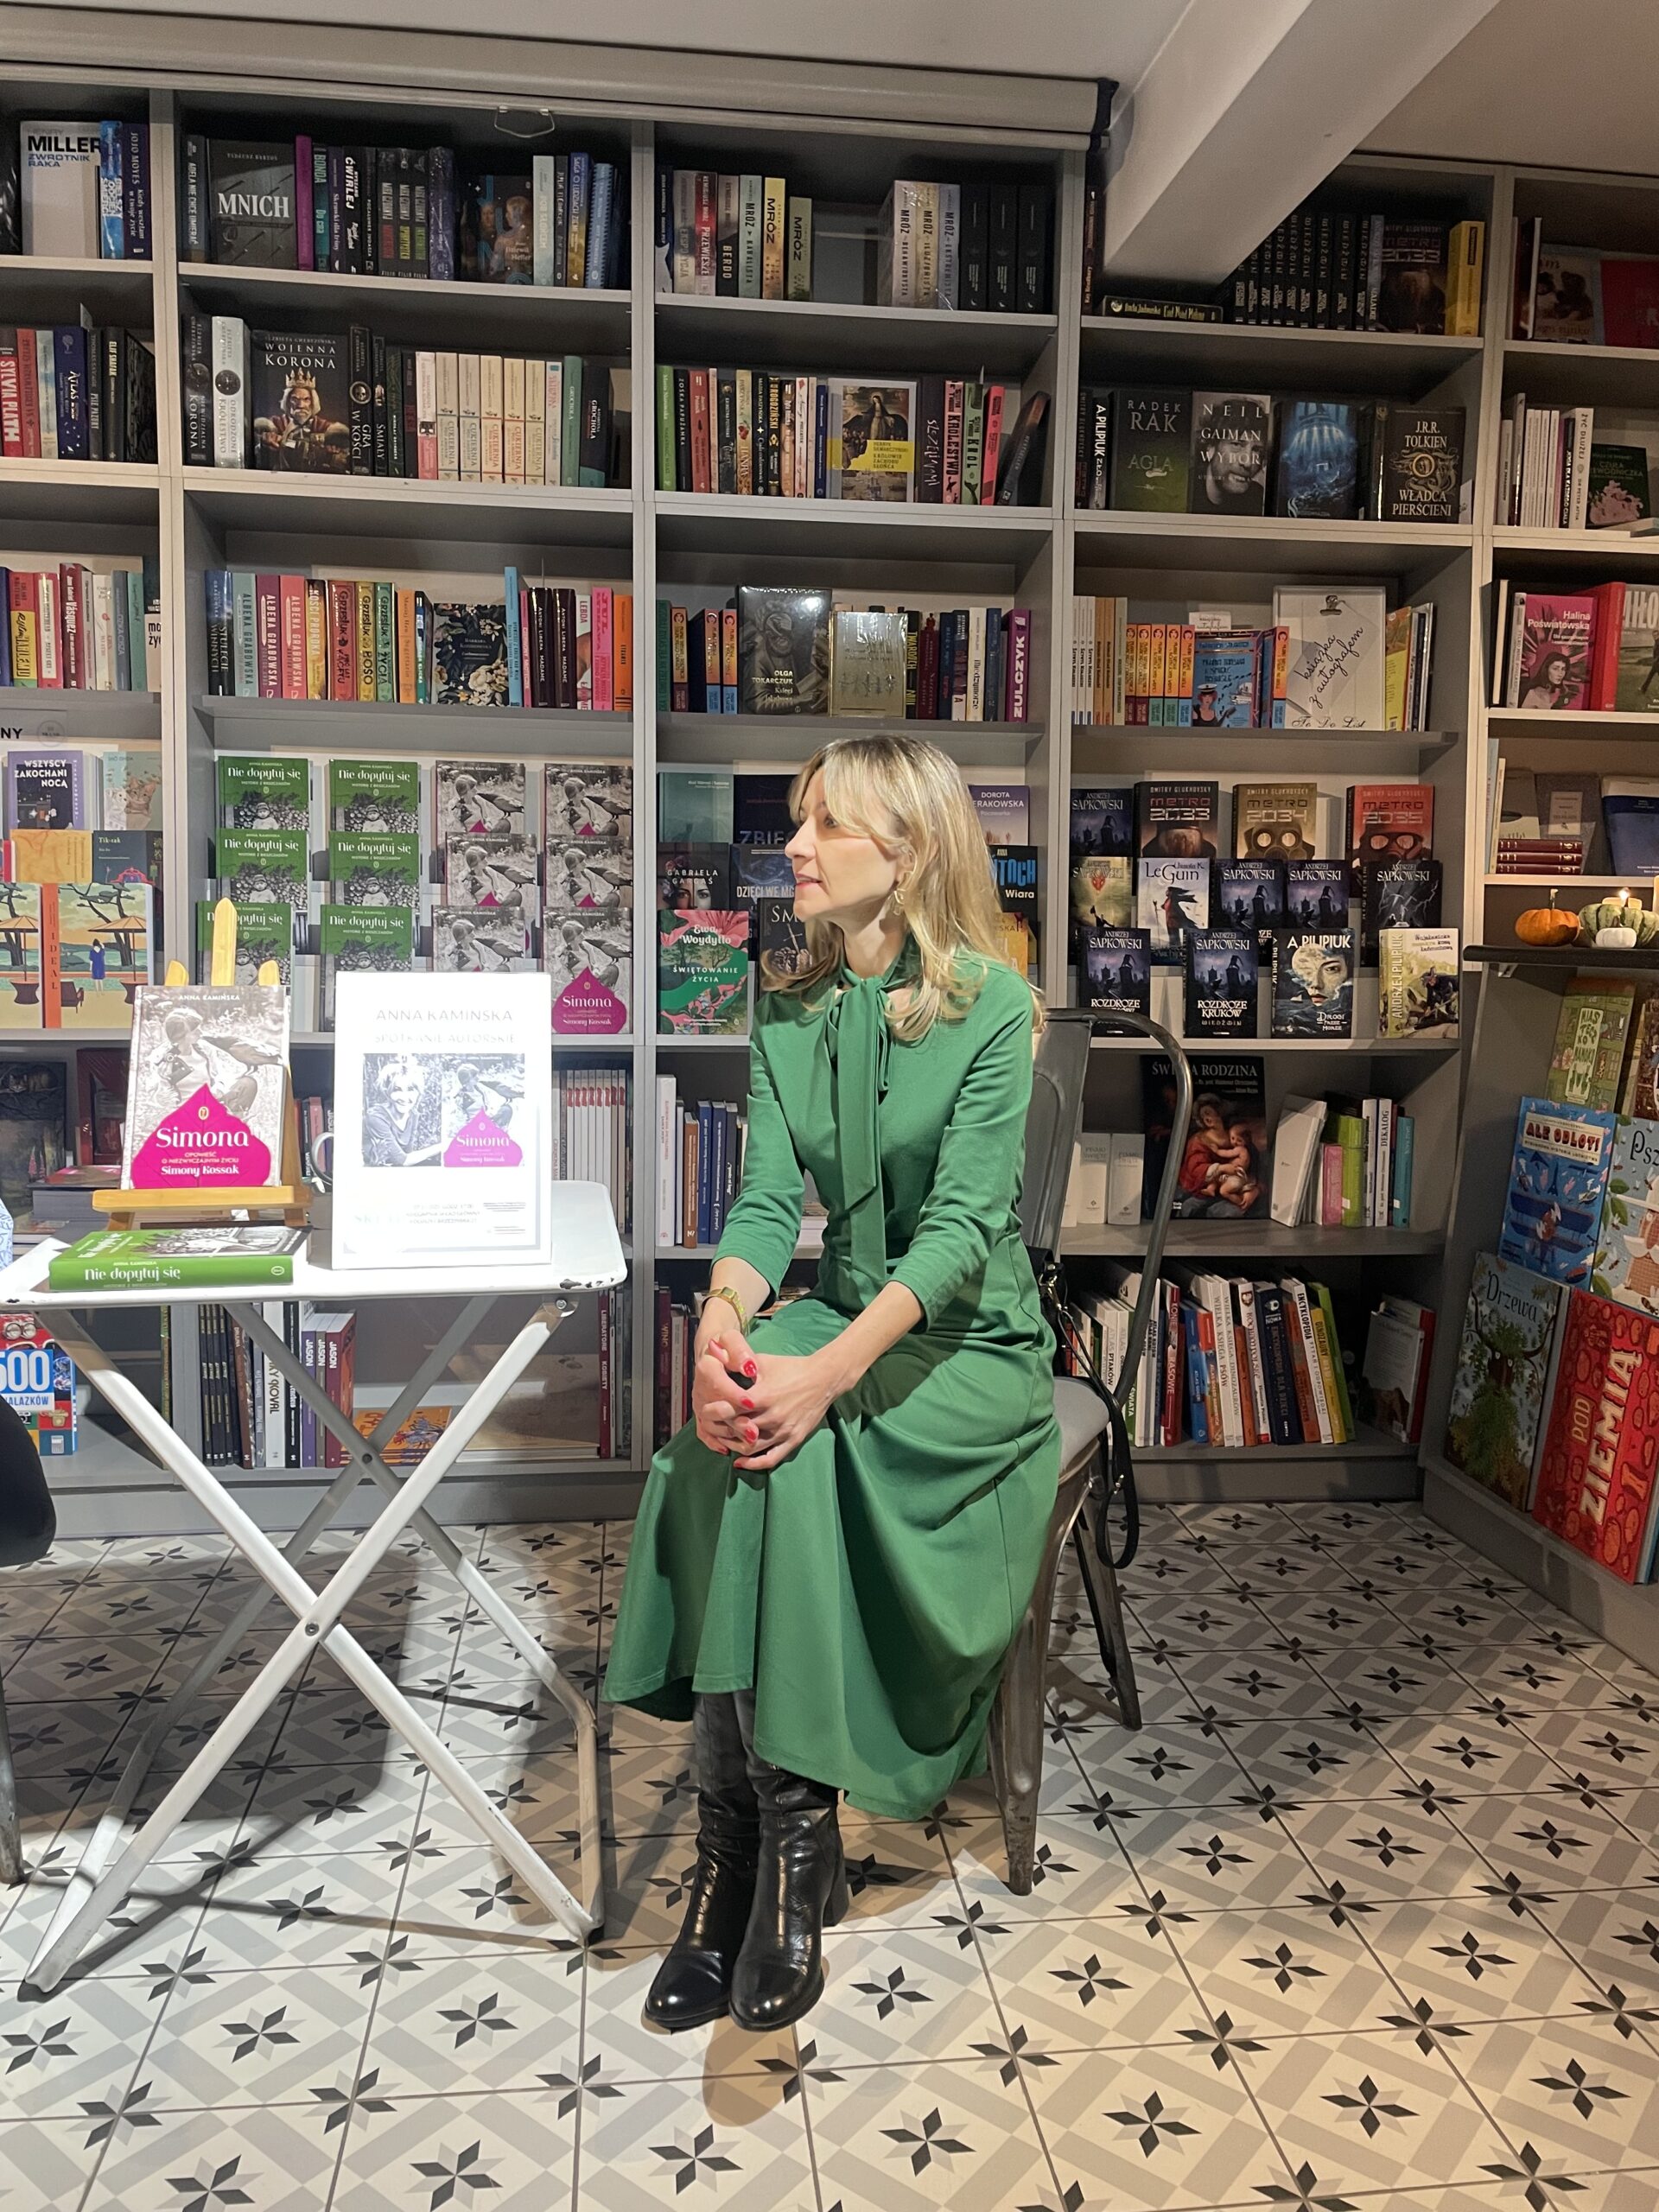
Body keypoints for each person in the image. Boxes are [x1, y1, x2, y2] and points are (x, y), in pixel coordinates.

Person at [601, 733, 1059, 2035]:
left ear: (906, 853)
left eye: (826, 826)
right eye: (799, 822)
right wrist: (722, 1324)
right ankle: (753, 1849)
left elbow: (962, 1236)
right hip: (846, 1316)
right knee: (713, 1443)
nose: (793, 847)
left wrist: (819, 1378)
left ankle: (771, 1856)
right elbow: (762, 1208)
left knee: (781, 1449)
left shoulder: (992, 1007)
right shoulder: (788, 1008)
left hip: (967, 1348)